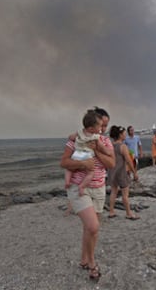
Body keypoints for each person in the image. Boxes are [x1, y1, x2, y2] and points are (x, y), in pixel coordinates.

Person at [60, 107, 115, 280]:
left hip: (99, 188)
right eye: (101, 125)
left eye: (105, 126)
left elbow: (111, 163)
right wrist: (84, 164)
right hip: (79, 188)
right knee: (93, 226)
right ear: (92, 126)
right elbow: (64, 162)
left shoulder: (104, 141)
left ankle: (84, 260)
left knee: (91, 229)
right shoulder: (76, 140)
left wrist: (96, 149)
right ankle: (92, 262)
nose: (103, 129)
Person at [64, 110, 111, 197]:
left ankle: (67, 181)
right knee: (90, 173)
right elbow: (102, 148)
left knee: (69, 169)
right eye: (100, 126)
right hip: (87, 156)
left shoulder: (79, 132)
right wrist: (107, 152)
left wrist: (76, 139)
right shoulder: (95, 137)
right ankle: (82, 186)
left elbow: (70, 137)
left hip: (77, 154)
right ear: (91, 128)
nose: (101, 129)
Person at [107, 125, 140, 220]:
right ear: (120, 135)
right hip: (121, 172)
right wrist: (134, 172)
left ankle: (111, 211)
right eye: (124, 133)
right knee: (125, 194)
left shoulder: (111, 146)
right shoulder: (123, 146)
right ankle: (128, 213)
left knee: (114, 192)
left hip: (112, 172)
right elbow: (129, 161)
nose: (125, 135)